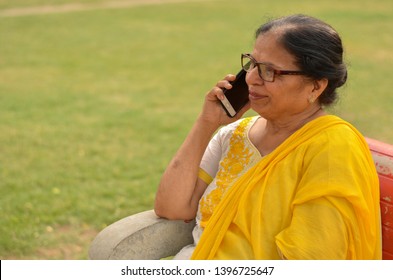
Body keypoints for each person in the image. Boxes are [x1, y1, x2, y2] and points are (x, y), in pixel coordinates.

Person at [154, 14, 382, 260]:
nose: (251, 78)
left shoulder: (332, 148)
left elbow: (311, 258)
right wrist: (205, 124)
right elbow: (173, 208)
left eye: (269, 71)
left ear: (315, 87)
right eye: (252, 63)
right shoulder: (234, 135)